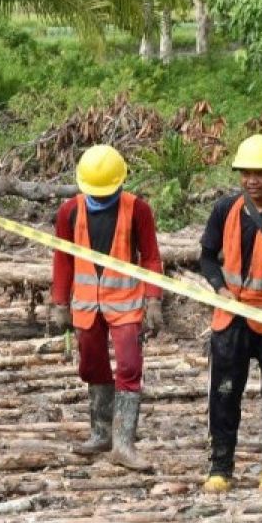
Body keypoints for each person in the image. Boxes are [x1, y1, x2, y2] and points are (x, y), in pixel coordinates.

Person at [198, 135, 262, 492]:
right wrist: (221, 289)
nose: (251, 181)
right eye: (245, 174)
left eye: (260, 174)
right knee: (224, 394)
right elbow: (207, 257)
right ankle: (220, 467)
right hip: (231, 321)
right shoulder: (224, 210)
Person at [50, 144, 163, 471]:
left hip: (125, 302)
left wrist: (153, 299)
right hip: (86, 305)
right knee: (92, 366)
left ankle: (124, 444)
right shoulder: (69, 212)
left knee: (129, 366)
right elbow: (63, 259)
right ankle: (101, 432)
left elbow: (151, 256)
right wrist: (60, 302)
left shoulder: (138, 210)